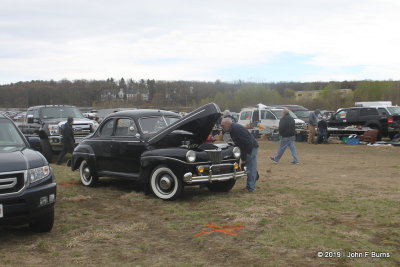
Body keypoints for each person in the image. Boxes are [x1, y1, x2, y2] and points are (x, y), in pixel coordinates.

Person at [220, 117, 259, 192]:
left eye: (223, 125)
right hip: (247, 148)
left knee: (250, 168)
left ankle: (250, 188)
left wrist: (247, 155)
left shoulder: (236, 129)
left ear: (228, 124)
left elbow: (248, 141)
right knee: (249, 167)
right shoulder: (232, 129)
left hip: (250, 148)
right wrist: (243, 158)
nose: (222, 127)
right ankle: (252, 183)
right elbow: (239, 143)